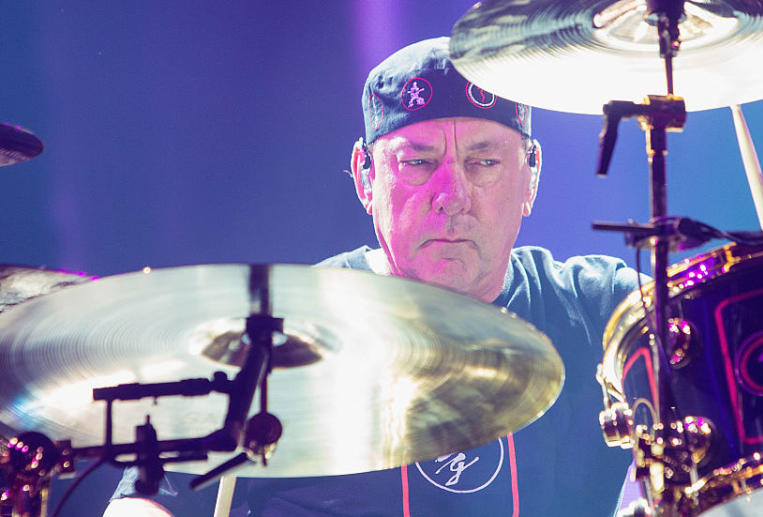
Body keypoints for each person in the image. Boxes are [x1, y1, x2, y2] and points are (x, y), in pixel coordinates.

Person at [105, 37, 640, 517]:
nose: (452, 196)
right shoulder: (277, 331)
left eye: (483, 163)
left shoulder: (605, 310)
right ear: (365, 176)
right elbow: (147, 503)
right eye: (419, 163)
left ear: (532, 176)